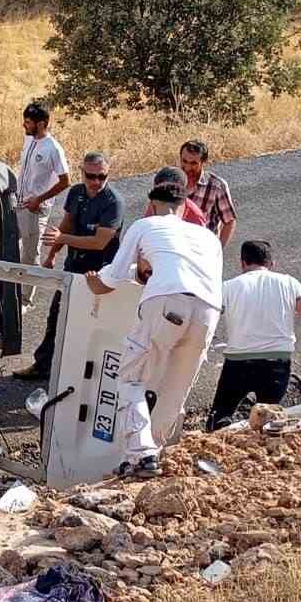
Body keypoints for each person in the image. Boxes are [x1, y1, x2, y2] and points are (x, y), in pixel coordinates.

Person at [86, 178, 223, 479]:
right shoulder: (208, 237)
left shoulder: (144, 225)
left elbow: (113, 276)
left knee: (130, 378)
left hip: (165, 303)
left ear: (151, 205)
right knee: (175, 388)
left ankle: (142, 454)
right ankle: (148, 454)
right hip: (208, 311)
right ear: (186, 205)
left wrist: (96, 283)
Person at [206, 240, 301, 431]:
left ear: (242, 262)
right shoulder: (290, 283)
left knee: (220, 415)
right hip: (277, 363)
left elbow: (208, 319)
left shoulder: (228, 287)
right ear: (272, 264)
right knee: (270, 422)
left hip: (238, 363)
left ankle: (222, 444)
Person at [15, 151, 124, 381]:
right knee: (57, 315)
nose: (96, 182)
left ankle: (85, 375)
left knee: (93, 323)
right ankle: (43, 365)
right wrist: (52, 255)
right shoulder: (76, 193)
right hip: (74, 266)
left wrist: (62, 240)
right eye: (91, 176)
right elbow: (66, 225)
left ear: (108, 174)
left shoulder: (113, 203)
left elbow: (99, 241)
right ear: (82, 173)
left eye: (101, 177)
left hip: (101, 273)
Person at [15, 102, 71, 307]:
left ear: (42, 124)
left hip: (36, 209)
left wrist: (40, 199)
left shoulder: (53, 149)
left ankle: (25, 300)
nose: (24, 126)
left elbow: (65, 181)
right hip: (20, 203)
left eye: (28, 122)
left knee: (30, 253)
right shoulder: (29, 140)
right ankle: (15, 289)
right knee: (14, 247)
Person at [179, 140, 236, 246]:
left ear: (204, 163)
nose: (187, 168)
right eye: (184, 161)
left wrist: (217, 251)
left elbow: (229, 221)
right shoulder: (170, 181)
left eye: (193, 163)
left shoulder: (216, 186)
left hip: (203, 249)